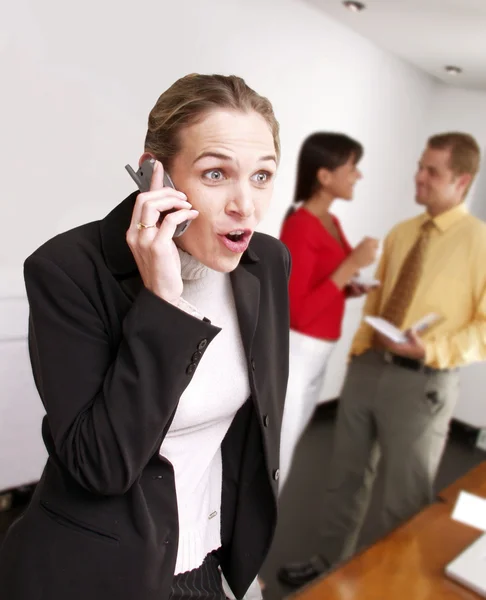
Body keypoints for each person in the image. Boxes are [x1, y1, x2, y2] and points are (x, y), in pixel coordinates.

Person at [0, 73, 291, 600]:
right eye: (216, 173)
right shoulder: (69, 270)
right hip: (101, 572)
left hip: (211, 559)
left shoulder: (267, 262)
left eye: (263, 176)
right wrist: (162, 301)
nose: (244, 205)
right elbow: (100, 466)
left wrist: (237, 558)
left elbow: (253, 426)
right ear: (157, 174)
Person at [278, 131, 486, 589]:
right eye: (420, 166)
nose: (419, 177)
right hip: (369, 367)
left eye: (432, 171)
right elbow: (379, 304)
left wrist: (431, 349)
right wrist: (359, 354)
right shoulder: (401, 233)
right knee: (344, 479)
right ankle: (328, 564)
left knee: (403, 500)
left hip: (422, 382)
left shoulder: (479, 244)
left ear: (462, 181)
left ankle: (385, 584)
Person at [278, 132, 379, 491]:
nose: (358, 176)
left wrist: (352, 283)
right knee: (280, 449)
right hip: (298, 350)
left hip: (320, 351)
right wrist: (350, 266)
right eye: (352, 167)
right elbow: (297, 312)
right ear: (324, 176)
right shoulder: (300, 226)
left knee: (290, 439)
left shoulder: (331, 223)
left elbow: (325, 288)